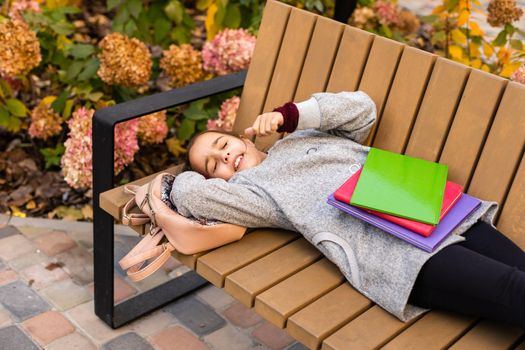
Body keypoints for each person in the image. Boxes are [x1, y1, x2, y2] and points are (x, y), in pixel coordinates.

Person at [168, 91, 525, 328]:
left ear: (243, 138)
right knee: (510, 289)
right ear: (221, 182)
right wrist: (173, 181)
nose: (224, 156)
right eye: (214, 166)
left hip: (431, 209)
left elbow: (362, 110)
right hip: (396, 253)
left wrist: (290, 117)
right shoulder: (253, 193)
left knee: (518, 275)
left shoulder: (302, 135)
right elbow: (189, 194)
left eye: (221, 144)